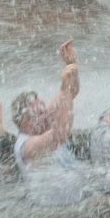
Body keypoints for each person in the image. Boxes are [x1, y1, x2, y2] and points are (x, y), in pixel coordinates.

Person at [11, 39, 83, 205]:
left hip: (77, 203)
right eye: (40, 113)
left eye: (44, 109)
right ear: (25, 122)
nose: (47, 115)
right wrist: (64, 88)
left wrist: (71, 65)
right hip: (54, 215)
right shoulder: (26, 146)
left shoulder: (40, 121)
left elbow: (70, 93)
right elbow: (59, 135)